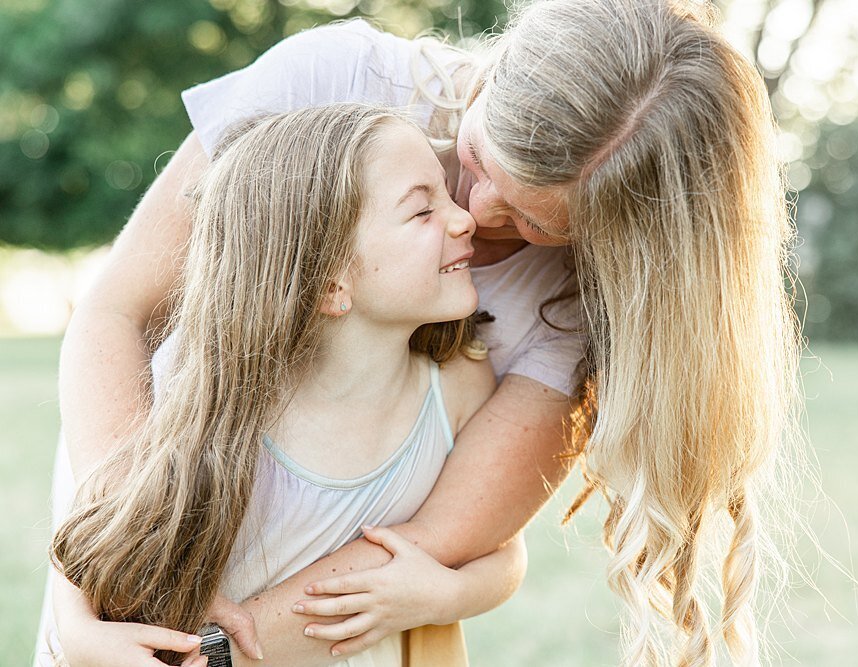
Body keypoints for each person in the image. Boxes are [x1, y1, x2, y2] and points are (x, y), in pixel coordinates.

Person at [48, 0, 804, 665]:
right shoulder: (335, 79)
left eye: (533, 220)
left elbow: (439, 543)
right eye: (476, 159)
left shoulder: (579, 306)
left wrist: (201, 655)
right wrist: (125, 574)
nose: (471, 213)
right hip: (135, 513)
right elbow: (113, 313)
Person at [41, 103, 531, 667]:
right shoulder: (215, 403)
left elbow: (499, 543)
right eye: (422, 211)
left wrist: (447, 594)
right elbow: (99, 531)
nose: (464, 217)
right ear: (330, 283)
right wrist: (74, 625)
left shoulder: (458, 382)